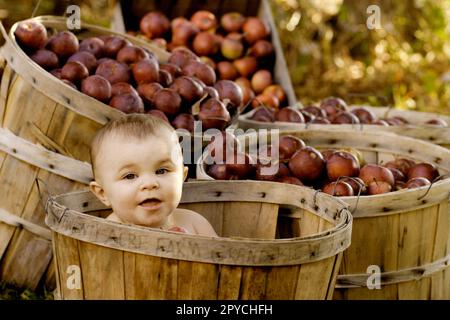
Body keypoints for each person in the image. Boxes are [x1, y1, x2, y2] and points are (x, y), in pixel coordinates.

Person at [89, 113, 217, 237]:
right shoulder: (105, 235)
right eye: (130, 176)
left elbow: (222, 256)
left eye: (161, 171)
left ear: (182, 178)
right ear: (103, 193)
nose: (150, 184)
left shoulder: (195, 224)